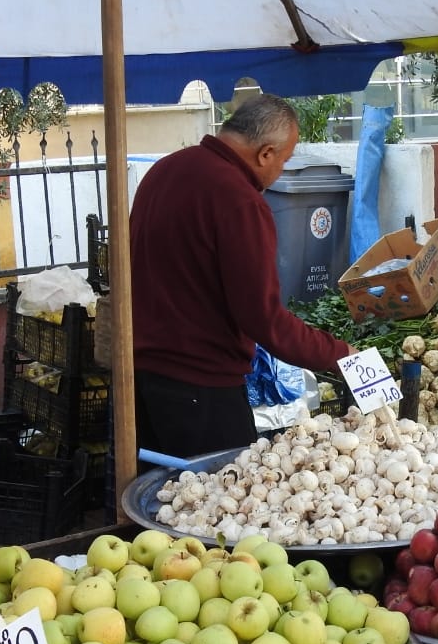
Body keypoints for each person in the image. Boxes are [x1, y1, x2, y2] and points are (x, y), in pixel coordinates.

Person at [129, 94, 353, 459]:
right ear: (265, 153)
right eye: (284, 160)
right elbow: (264, 320)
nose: (280, 171)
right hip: (201, 391)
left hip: (141, 381)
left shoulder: (162, 171)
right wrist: (340, 354)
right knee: (215, 505)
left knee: (157, 503)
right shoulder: (239, 200)